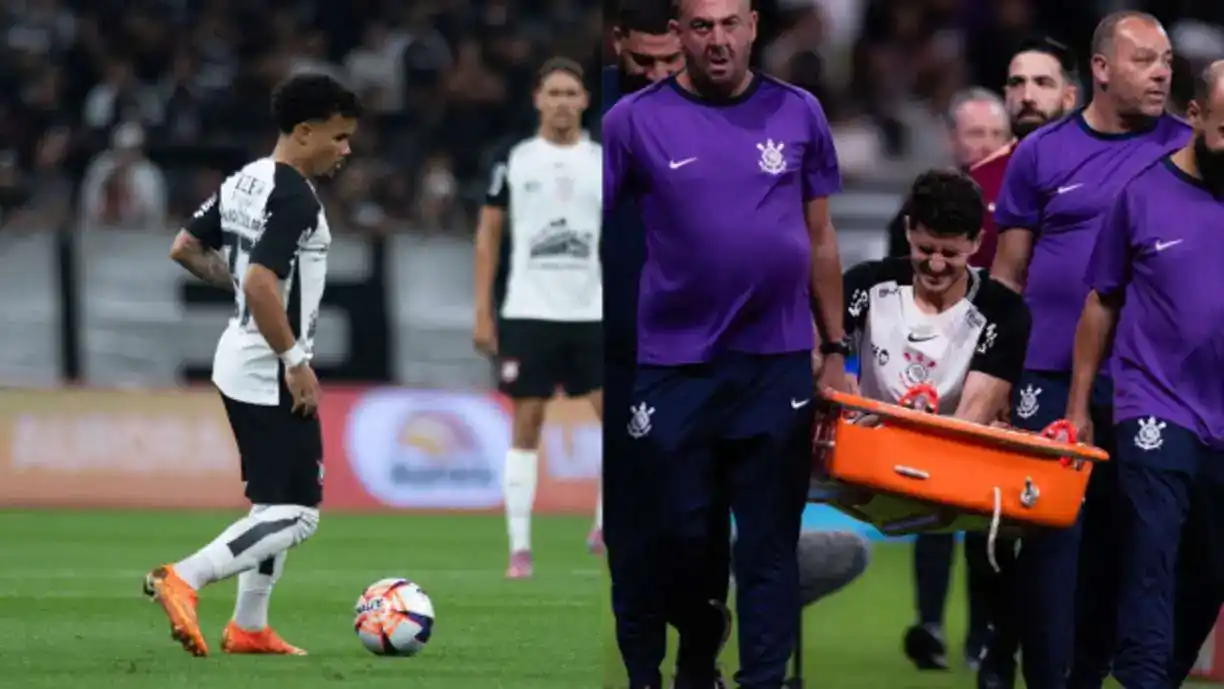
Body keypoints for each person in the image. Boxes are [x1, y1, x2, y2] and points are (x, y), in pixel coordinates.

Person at [603, 0, 849, 684]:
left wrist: (835, 349)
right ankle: (700, 644)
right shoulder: (631, 122)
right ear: (680, 33)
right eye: (702, 26)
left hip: (775, 366)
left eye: (731, 23)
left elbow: (821, 237)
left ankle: (762, 678)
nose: (718, 40)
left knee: (770, 546)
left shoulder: (799, 112)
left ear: (753, 27)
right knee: (681, 535)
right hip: (675, 367)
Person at [987, 11, 1190, 689]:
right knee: (1050, 553)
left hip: (1145, 384)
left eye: (1166, 60)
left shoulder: (1188, 150)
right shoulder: (1040, 153)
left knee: (1123, 552)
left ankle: (1090, 674)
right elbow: (1008, 279)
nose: (1162, 72)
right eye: (1144, 60)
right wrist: (995, 380)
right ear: (1101, 69)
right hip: (1044, 376)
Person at [145, 72, 361, 657]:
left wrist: (243, 292)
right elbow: (263, 280)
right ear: (305, 131)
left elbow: (185, 247)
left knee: (271, 504)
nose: (346, 150)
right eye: (339, 138)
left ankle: (249, 626)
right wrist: (294, 360)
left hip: (239, 357)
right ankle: (185, 577)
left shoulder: (246, 179)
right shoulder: (293, 196)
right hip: (268, 369)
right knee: (298, 514)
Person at [1068, 60, 1224, 689]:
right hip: (1152, 404)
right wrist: (1080, 406)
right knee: (1150, 555)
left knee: (1210, 573)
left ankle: (1161, 673)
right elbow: (1101, 301)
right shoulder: (1142, 195)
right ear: (1195, 117)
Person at [966, 35, 1079, 689]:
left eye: (1041, 82)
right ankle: (1001, 649)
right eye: (1016, 83)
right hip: (1008, 372)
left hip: (1077, 369)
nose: (1026, 94)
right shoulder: (975, 184)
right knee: (1001, 523)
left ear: (1070, 93)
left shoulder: (1107, 168)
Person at [473, 57, 603, 579]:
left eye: (572, 92)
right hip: (528, 309)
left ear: (585, 101)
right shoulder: (513, 159)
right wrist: (484, 311)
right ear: (537, 99)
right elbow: (489, 236)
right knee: (527, 422)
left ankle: (604, 523)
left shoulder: (606, 159)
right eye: (554, 93)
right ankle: (519, 549)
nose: (563, 102)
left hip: (593, 309)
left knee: (620, 422)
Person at [885, 87, 1010, 260]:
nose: (989, 145)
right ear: (950, 138)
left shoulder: (1025, 199)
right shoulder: (922, 202)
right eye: (976, 134)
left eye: (998, 134)